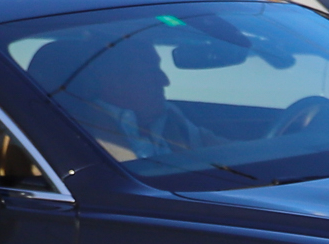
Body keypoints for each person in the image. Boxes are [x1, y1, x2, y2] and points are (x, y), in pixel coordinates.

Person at [40, 31, 222, 161]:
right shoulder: (78, 134)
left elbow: (225, 150)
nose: (165, 81)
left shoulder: (168, 116)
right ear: (112, 82)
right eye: (151, 72)